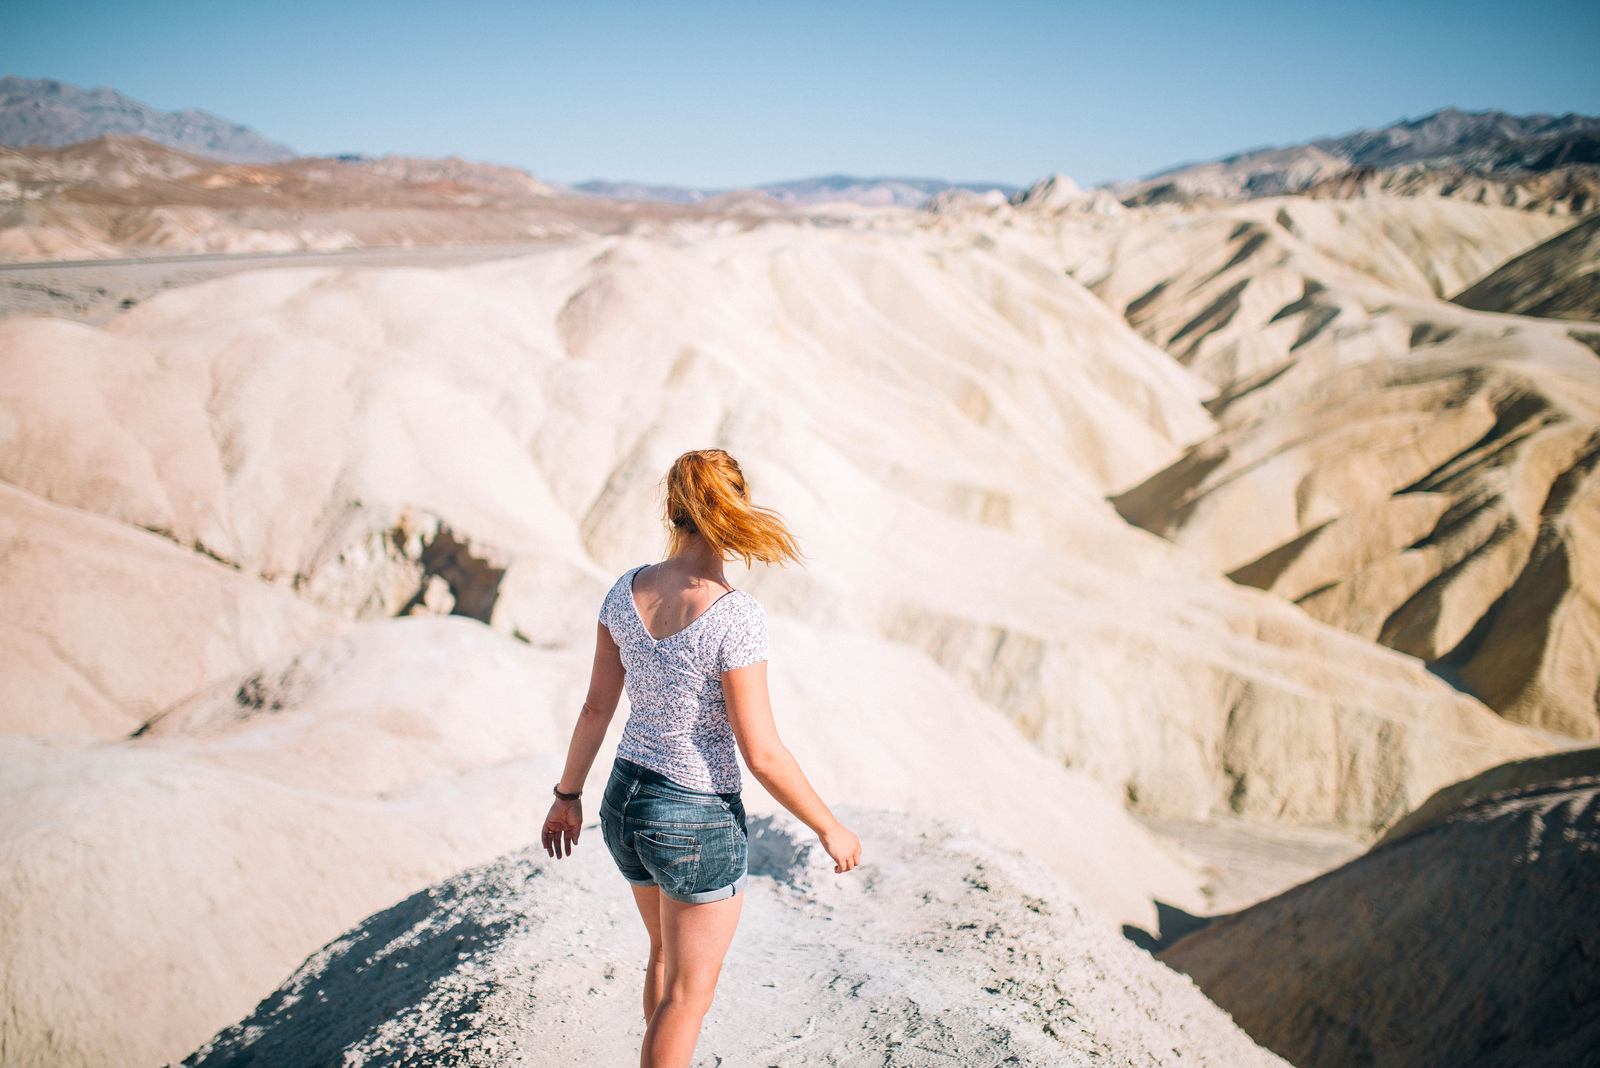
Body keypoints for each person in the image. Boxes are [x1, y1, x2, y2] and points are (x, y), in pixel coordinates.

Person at [540, 447, 862, 1068]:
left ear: (670, 510)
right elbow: (762, 752)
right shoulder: (734, 617)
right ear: (735, 506)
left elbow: (594, 710)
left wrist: (567, 796)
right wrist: (829, 826)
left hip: (624, 801)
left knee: (663, 959)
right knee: (689, 997)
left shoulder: (624, 590)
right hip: (694, 816)